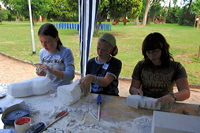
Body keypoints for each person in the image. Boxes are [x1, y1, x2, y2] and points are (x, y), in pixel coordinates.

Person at [129, 32, 190, 110]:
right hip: (144, 105)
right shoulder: (141, 66)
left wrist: (173, 96)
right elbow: (133, 87)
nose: (151, 56)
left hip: (165, 105)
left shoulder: (176, 67)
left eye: (155, 51)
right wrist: (135, 91)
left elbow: (186, 91)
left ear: (164, 49)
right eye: (148, 52)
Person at [36, 23, 75, 89]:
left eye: (47, 42)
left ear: (56, 39)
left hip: (65, 89)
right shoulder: (42, 52)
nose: (43, 45)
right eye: (41, 42)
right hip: (50, 88)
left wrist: (51, 71)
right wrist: (41, 73)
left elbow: (71, 75)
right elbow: (44, 74)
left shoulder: (66, 52)